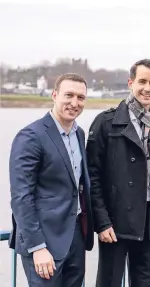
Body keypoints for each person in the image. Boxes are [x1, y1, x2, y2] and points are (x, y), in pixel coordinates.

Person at [86, 59, 150, 286]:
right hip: (116, 223)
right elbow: (92, 176)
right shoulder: (106, 122)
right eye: (142, 81)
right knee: (110, 282)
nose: (148, 88)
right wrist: (102, 222)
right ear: (130, 83)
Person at [9, 73, 94, 286]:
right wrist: (37, 248)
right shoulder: (30, 136)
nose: (75, 103)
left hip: (75, 237)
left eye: (81, 98)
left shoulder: (79, 134)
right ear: (54, 95)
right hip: (43, 242)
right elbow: (21, 197)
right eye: (69, 95)